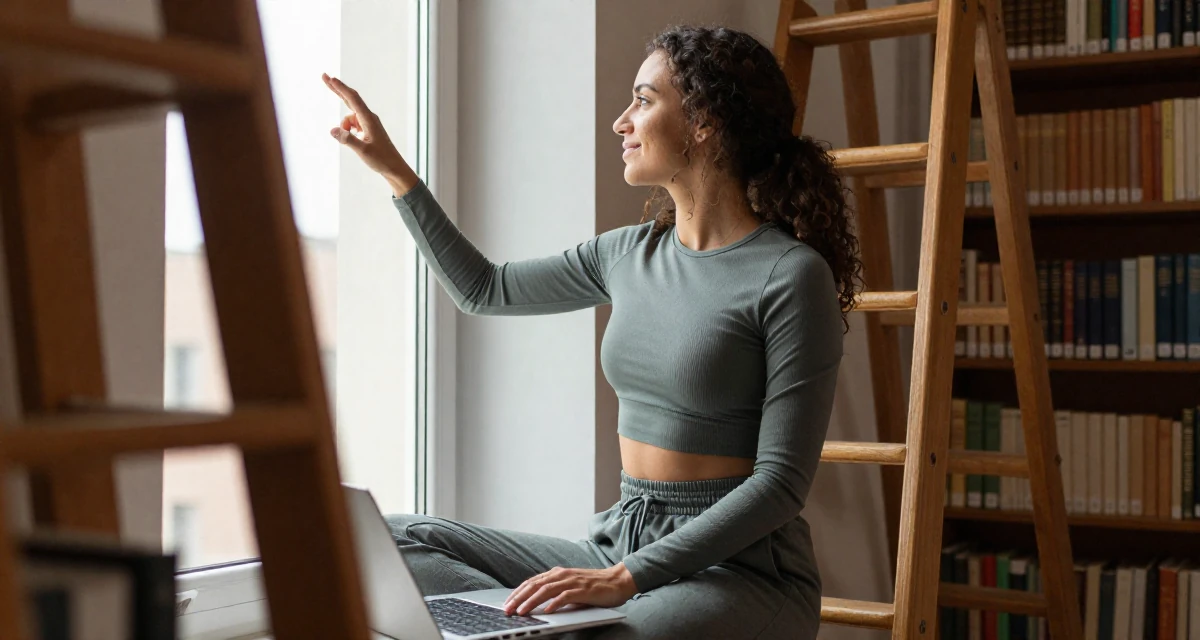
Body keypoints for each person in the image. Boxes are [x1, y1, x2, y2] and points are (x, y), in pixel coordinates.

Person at [323, 23, 863, 640]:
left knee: (609, 634)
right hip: (619, 542)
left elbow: (780, 486)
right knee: (392, 540)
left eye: (644, 99)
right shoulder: (627, 254)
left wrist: (627, 579)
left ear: (705, 121)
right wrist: (398, 174)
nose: (621, 121)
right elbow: (484, 289)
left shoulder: (791, 277)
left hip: (740, 570)